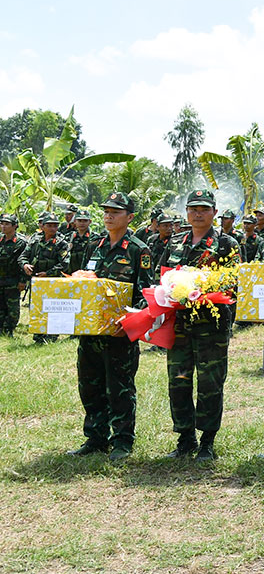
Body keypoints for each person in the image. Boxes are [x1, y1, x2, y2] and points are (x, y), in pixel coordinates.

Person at [68, 192, 153, 464]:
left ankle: (122, 440)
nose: (108, 215)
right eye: (106, 211)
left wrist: (128, 321)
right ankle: (95, 438)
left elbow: (145, 294)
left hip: (119, 335)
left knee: (120, 387)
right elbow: (83, 283)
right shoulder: (95, 245)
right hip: (91, 332)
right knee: (90, 385)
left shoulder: (139, 250)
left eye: (115, 212)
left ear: (129, 217)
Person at [160, 189, 240, 462]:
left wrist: (201, 285)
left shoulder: (226, 244)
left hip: (211, 326)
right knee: (179, 380)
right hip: (179, 325)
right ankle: (185, 439)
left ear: (214, 213)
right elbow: (160, 276)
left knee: (210, 382)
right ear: (186, 212)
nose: (197, 213)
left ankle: (207, 440)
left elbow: (232, 282)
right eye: (193, 208)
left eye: (204, 209)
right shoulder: (174, 242)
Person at [21, 212, 69, 344]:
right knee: (37, 307)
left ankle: (51, 336)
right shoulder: (35, 240)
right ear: (43, 226)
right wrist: (25, 265)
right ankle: (38, 335)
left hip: (53, 282)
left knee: (53, 309)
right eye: (49, 225)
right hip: (36, 282)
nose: (52, 228)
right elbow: (24, 255)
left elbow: (65, 263)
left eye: (55, 226)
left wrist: (48, 273)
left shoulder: (61, 243)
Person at [0, 214, 26, 337]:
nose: (3, 226)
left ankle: (9, 330)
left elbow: (23, 262)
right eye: (2, 223)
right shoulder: (0, 239)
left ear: (15, 226)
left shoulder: (21, 242)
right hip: (1, 280)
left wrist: (23, 281)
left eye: (7, 224)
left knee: (12, 309)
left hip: (13, 280)